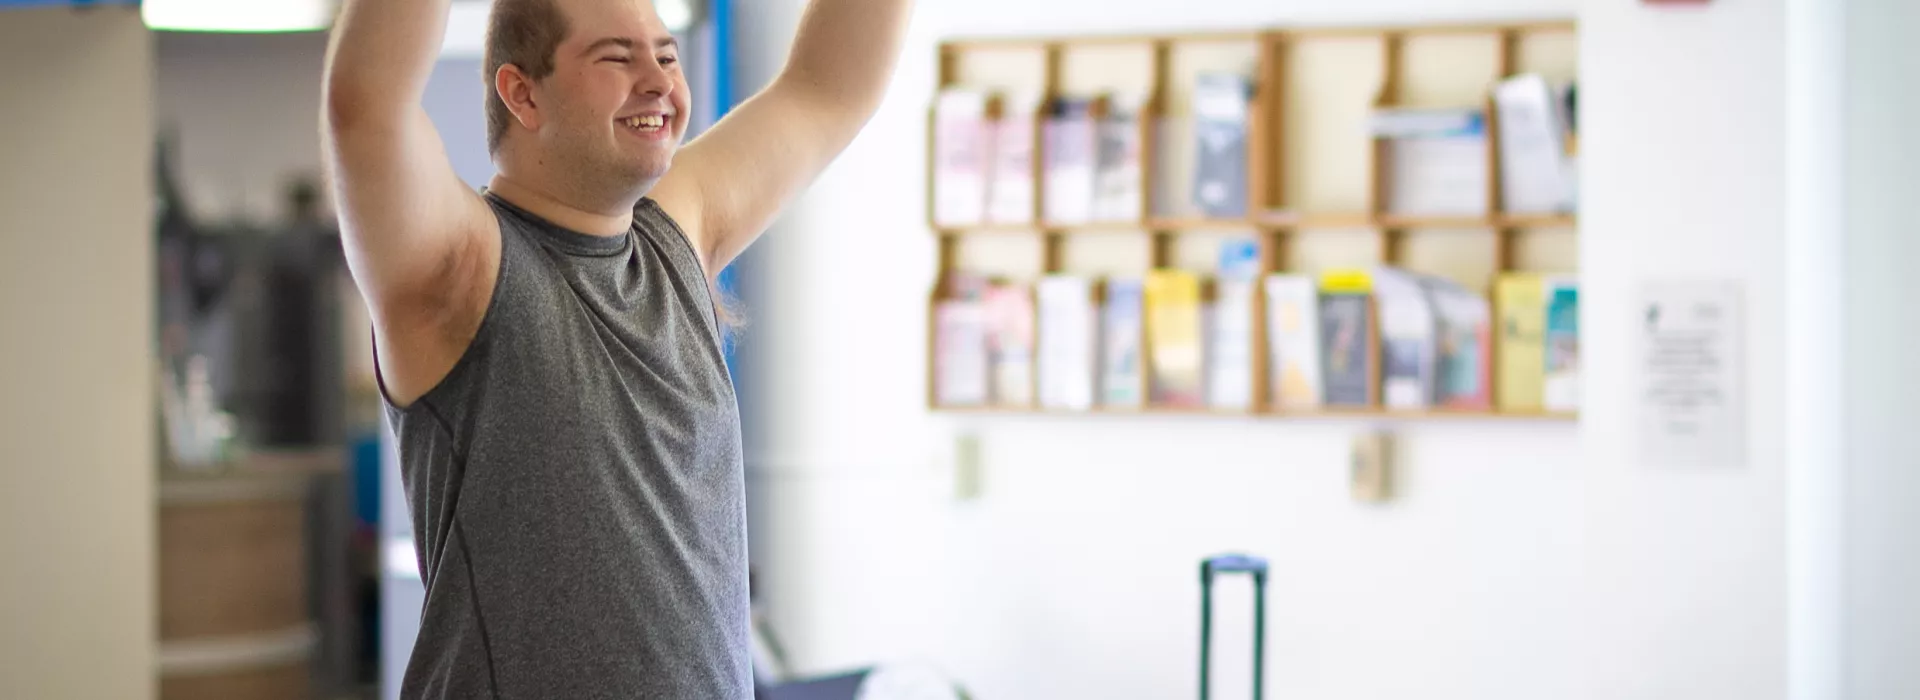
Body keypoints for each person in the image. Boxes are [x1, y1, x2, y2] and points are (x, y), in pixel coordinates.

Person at [319, 0, 913, 697]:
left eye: (666, 55)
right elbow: (367, 109)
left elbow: (828, 87)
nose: (659, 81)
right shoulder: (461, 269)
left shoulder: (677, 233)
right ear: (522, 94)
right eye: (616, 58)